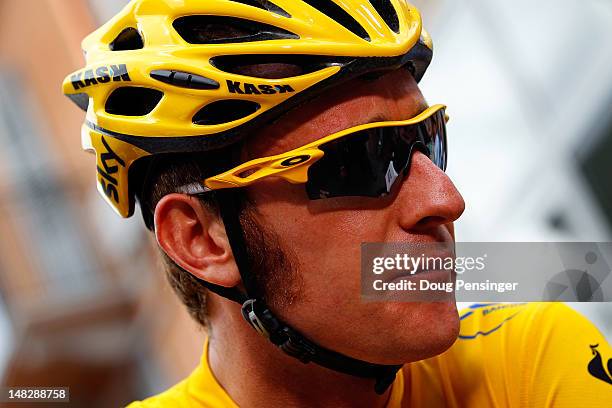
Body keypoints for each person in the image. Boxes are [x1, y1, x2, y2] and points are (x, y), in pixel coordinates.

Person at [63, 0, 612, 406]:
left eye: (428, 142)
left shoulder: (528, 365)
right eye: (359, 162)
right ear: (202, 239)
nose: (445, 199)